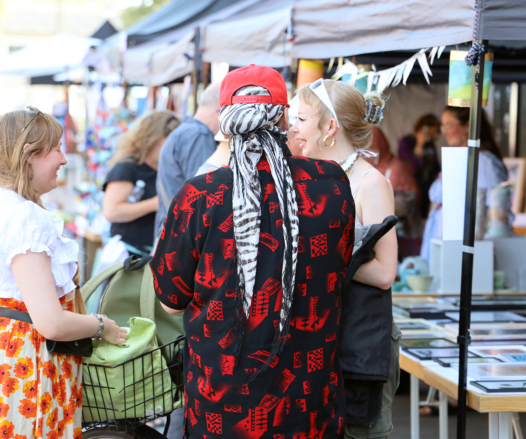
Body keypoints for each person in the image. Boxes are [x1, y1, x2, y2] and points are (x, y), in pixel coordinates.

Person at [152, 65, 355, 438]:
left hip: (222, 409)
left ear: (225, 122)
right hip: (309, 405)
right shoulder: (332, 184)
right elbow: (338, 270)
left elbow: (170, 300)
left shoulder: (198, 197)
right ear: (283, 118)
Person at [0, 108, 127, 439]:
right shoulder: (25, 218)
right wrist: (101, 325)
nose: (64, 158)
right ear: (29, 155)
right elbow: (50, 322)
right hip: (28, 369)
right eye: (56, 148)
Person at [291, 79, 399, 439]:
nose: (292, 128)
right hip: (323, 339)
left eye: (301, 118)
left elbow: (385, 272)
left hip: (360, 341)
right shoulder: (310, 178)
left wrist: (324, 257)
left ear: (329, 127)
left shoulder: (371, 184)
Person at [420, 107, 508, 261]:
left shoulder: (485, 162)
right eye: (442, 127)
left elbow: (497, 210)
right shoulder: (455, 160)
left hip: (468, 245)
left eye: (448, 126)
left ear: (467, 126)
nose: (444, 132)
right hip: (443, 240)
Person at [103, 111, 180, 255]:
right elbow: (112, 211)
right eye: (170, 139)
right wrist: (156, 203)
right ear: (155, 138)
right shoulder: (127, 168)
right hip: (129, 256)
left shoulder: (166, 169)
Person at [154, 83, 221, 242]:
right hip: (181, 241)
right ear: (221, 109)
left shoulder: (187, 132)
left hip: (174, 237)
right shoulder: (198, 135)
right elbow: (206, 198)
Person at [371, 127, 421, 257]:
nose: (367, 153)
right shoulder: (370, 169)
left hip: (402, 235)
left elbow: (408, 203)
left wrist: (372, 209)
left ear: (381, 145)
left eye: (372, 147)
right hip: (381, 234)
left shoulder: (396, 168)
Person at [398, 114, 441, 218]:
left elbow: (435, 166)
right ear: (424, 128)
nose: (435, 135)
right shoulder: (406, 142)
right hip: (412, 188)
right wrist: (419, 144)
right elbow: (411, 166)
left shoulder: (430, 144)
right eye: (433, 132)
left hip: (428, 187)